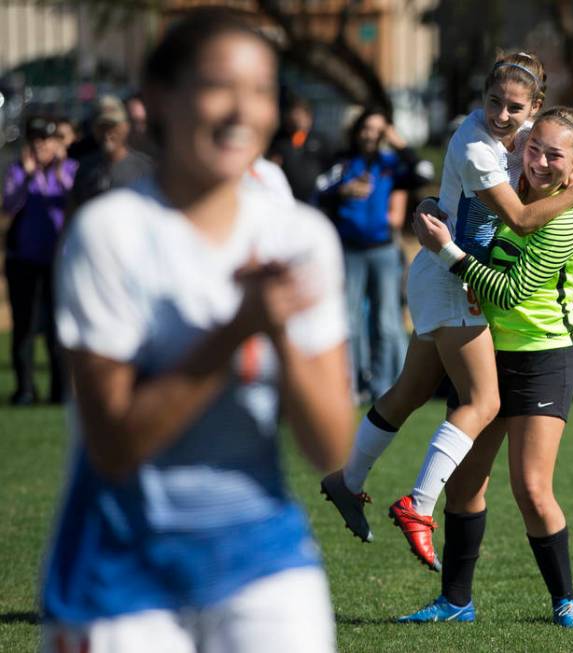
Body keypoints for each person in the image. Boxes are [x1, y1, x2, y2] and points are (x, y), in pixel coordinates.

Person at [40, 10, 353, 653]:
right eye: (217, 86)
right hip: (119, 570)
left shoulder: (301, 238)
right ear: (158, 98)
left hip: (264, 565)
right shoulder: (111, 234)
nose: (243, 110)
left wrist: (282, 336)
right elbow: (114, 448)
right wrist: (238, 329)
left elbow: (331, 448)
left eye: (261, 90)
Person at [320, 52, 573, 572]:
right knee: (484, 401)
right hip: (450, 277)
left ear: (534, 105)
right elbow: (520, 219)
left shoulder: (517, 139)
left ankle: (347, 481)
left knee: (409, 390)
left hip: (441, 272)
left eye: (514, 105)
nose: (501, 113)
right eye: (493, 101)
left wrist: (436, 202)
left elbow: (507, 181)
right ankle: (418, 505)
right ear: (480, 99)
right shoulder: (478, 143)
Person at [407, 105, 573, 627]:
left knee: (531, 489)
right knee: (467, 485)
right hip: (488, 354)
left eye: (554, 154)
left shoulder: (568, 218)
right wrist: (435, 206)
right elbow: (464, 208)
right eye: (533, 146)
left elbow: (511, 292)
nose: (538, 160)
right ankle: (454, 602)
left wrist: (446, 252)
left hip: (543, 357)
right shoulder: (510, 189)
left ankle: (565, 600)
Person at [316, 108, 423, 401]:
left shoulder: (390, 164)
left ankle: (386, 387)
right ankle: (352, 386)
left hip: (383, 250)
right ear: (357, 131)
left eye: (378, 130)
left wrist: (398, 142)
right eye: (366, 128)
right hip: (350, 250)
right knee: (349, 320)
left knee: (387, 321)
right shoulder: (343, 162)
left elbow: (421, 172)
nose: (371, 134)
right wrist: (343, 191)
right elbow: (318, 191)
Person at [2, 115, 77, 405]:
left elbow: (75, 201)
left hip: (59, 260)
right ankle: (25, 389)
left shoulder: (70, 170)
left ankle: (60, 391)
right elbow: (9, 205)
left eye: (46, 140)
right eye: (36, 141)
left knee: (59, 328)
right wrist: (29, 175)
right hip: (24, 260)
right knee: (24, 327)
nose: (41, 146)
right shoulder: (19, 172)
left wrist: (58, 173)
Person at [70, 95, 154, 211]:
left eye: (113, 126)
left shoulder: (145, 168)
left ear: (126, 127)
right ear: (94, 130)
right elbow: (73, 212)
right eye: (102, 127)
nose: (107, 133)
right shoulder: (85, 168)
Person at [267, 94, 333, 204]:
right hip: (285, 199)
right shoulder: (280, 142)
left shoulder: (321, 141)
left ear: (309, 117)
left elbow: (332, 167)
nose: (296, 119)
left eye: (300, 115)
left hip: (315, 201)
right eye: (294, 114)